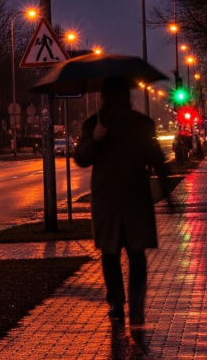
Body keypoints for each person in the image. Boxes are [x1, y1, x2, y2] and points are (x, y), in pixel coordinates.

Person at [73, 76, 171, 328]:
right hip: (124, 198)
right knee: (124, 254)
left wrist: (94, 139)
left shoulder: (130, 123)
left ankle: (121, 304)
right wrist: (95, 139)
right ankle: (128, 304)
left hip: (120, 199)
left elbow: (82, 158)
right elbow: (157, 160)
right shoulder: (104, 123)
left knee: (117, 254)